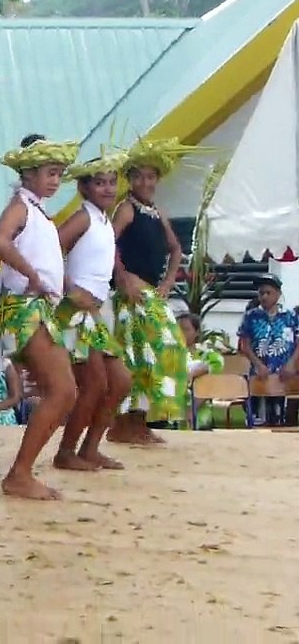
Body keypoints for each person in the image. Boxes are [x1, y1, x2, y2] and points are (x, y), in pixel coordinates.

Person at [0, 136, 79, 501]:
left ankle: (23, 470)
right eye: (50, 173)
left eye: (59, 174)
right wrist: (33, 276)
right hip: (24, 308)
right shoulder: (20, 206)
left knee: (63, 391)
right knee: (63, 390)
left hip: (38, 308)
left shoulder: (37, 210)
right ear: (28, 173)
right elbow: (0, 241)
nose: (56, 181)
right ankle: (20, 473)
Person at [110, 138, 195, 443]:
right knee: (138, 358)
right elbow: (109, 243)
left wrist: (168, 282)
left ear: (157, 180)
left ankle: (139, 423)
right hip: (132, 296)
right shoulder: (126, 209)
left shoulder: (157, 212)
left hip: (151, 294)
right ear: (130, 180)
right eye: (137, 177)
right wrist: (121, 277)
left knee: (162, 354)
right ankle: (124, 426)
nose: (144, 182)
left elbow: (175, 249)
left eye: (149, 176)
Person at [52, 152, 132, 471]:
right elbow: (51, 247)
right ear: (83, 188)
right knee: (95, 384)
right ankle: (66, 451)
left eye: (112, 182)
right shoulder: (83, 217)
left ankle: (90, 448)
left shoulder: (103, 220)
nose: (108, 189)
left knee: (121, 381)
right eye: (100, 183)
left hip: (94, 313)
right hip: (75, 312)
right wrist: (69, 288)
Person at [236, 274, 298, 426]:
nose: (264, 297)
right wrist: (257, 365)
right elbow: (245, 345)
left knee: (282, 418)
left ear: (278, 294)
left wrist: (292, 364)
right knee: (259, 419)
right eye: (261, 293)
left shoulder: (291, 317)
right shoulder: (251, 317)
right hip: (260, 373)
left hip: (284, 373)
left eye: (268, 293)